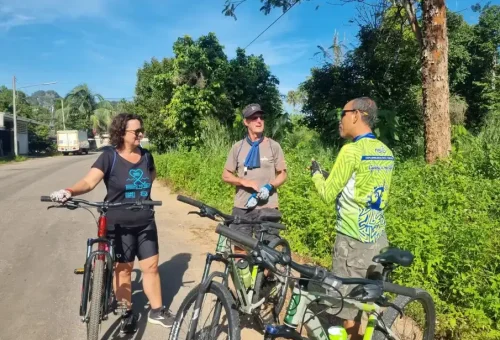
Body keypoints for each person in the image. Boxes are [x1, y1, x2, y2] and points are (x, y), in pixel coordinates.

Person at [49, 113, 174, 333]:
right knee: (124, 270)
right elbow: (89, 181)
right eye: (136, 131)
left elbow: (151, 177)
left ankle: (157, 310)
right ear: (122, 133)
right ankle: (126, 313)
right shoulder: (110, 157)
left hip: (145, 221)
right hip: (118, 223)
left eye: (141, 130)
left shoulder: (147, 156)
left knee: (151, 267)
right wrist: (68, 190)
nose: (141, 134)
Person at [310, 97, 394, 340]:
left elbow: (327, 194)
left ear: (356, 115)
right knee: (369, 301)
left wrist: (317, 174)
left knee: (348, 306)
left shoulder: (351, 151)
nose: (341, 119)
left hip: (352, 240)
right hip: (378, 238)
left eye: (343, 114)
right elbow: (363, 189)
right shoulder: (385, 151)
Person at [222, 103, 288, 253]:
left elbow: (283, 174)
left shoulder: (273, 146)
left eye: (261, 117)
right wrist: (243, 181)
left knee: (269, 252)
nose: (259, 121)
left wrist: (270, 186)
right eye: (254, 118)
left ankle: (266, 277)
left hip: (268, 207)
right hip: (242, 207)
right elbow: (226, 175)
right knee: (240, 249)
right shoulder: (237, 148)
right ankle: (244, 276)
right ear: (246, 122)